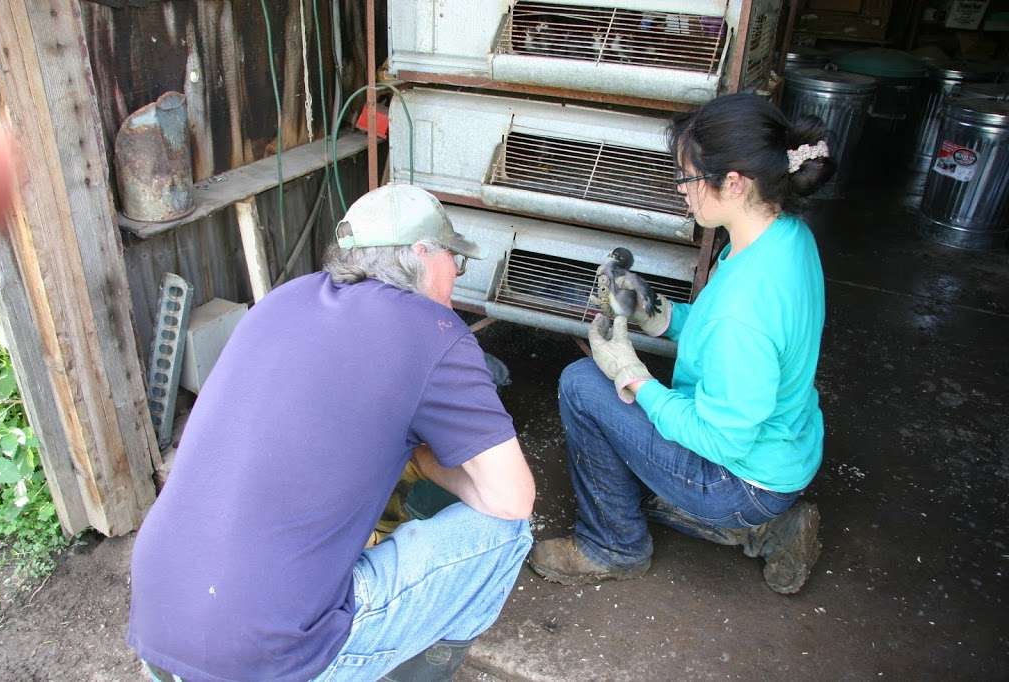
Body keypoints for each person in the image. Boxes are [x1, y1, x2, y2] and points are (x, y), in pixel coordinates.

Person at [128, 184, 536, 682]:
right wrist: (428, 463)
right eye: (457, 261)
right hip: (268, 661)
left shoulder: (283, 300)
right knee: (505, 535)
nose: (457, 276)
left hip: (158, 626)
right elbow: (512, 499)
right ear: (422, 255)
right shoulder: (434, 333)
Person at [528, 93, 835, 595]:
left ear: (733, 183)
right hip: (783, 455)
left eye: (689, 177)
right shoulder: (782, 237)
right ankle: (770, 528)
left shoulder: (744, 310)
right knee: (628, 448)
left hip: (739, 477)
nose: (682, 190)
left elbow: (722, 439)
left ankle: (612, 545)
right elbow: (727, 330)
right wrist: (658, 315)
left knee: (583, 384)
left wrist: (632, 374)